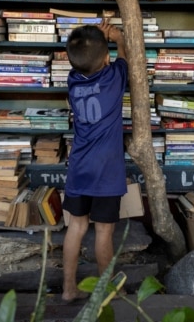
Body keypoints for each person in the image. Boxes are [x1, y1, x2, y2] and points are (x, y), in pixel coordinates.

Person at [61, 19, 128, 303]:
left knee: (76, 227)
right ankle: (106, 290)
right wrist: (117, 40)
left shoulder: (73, 81)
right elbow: (124, 57)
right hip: (107, 171)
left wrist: (97, 45)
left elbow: (87, 63)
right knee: (104, 231)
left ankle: (68, 289)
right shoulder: (114, 78)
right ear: (105, 58)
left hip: (79, 168)